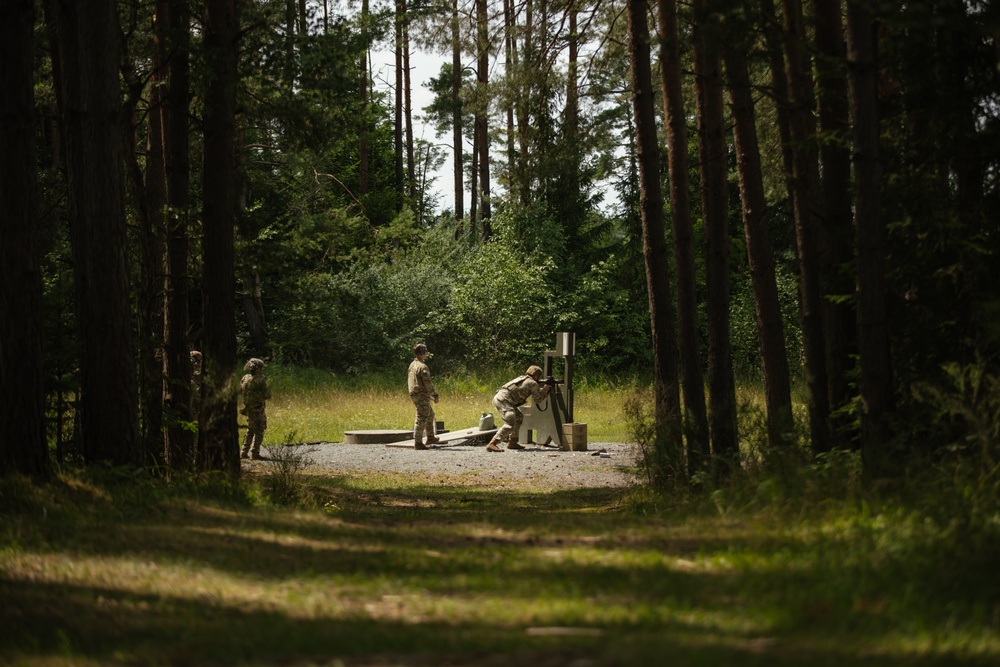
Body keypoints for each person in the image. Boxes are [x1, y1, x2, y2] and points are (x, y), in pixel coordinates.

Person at [485, 365, 552, 452]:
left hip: (502, 398)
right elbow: (538, 399)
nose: (539, 378)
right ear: (536, 375)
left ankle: (512, 442)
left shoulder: (523, 378)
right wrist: (545, 390)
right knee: (510, 421)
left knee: (519, 417)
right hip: (504, 400)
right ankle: (492, 444)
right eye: (538, 376)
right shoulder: (533, 383)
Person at [408, 343, 440, 450]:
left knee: (430, 414)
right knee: (422, 417)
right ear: (422, 353)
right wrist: (434, 394)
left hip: (415, 394)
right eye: (426, 352)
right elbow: (428, 383)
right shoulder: (423, 367)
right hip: (421, 395)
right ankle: (418, 443)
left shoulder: (412, 364)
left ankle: (430, 437)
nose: (427, 354)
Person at [240, 357, 272, 460]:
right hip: (258, 408)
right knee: (259, 430)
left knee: (250, 429)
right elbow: (267, 395)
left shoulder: (245, 378)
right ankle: (255, 452)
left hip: (248, 408)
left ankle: (244, 451)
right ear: (258, 369)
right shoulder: (260, 381)